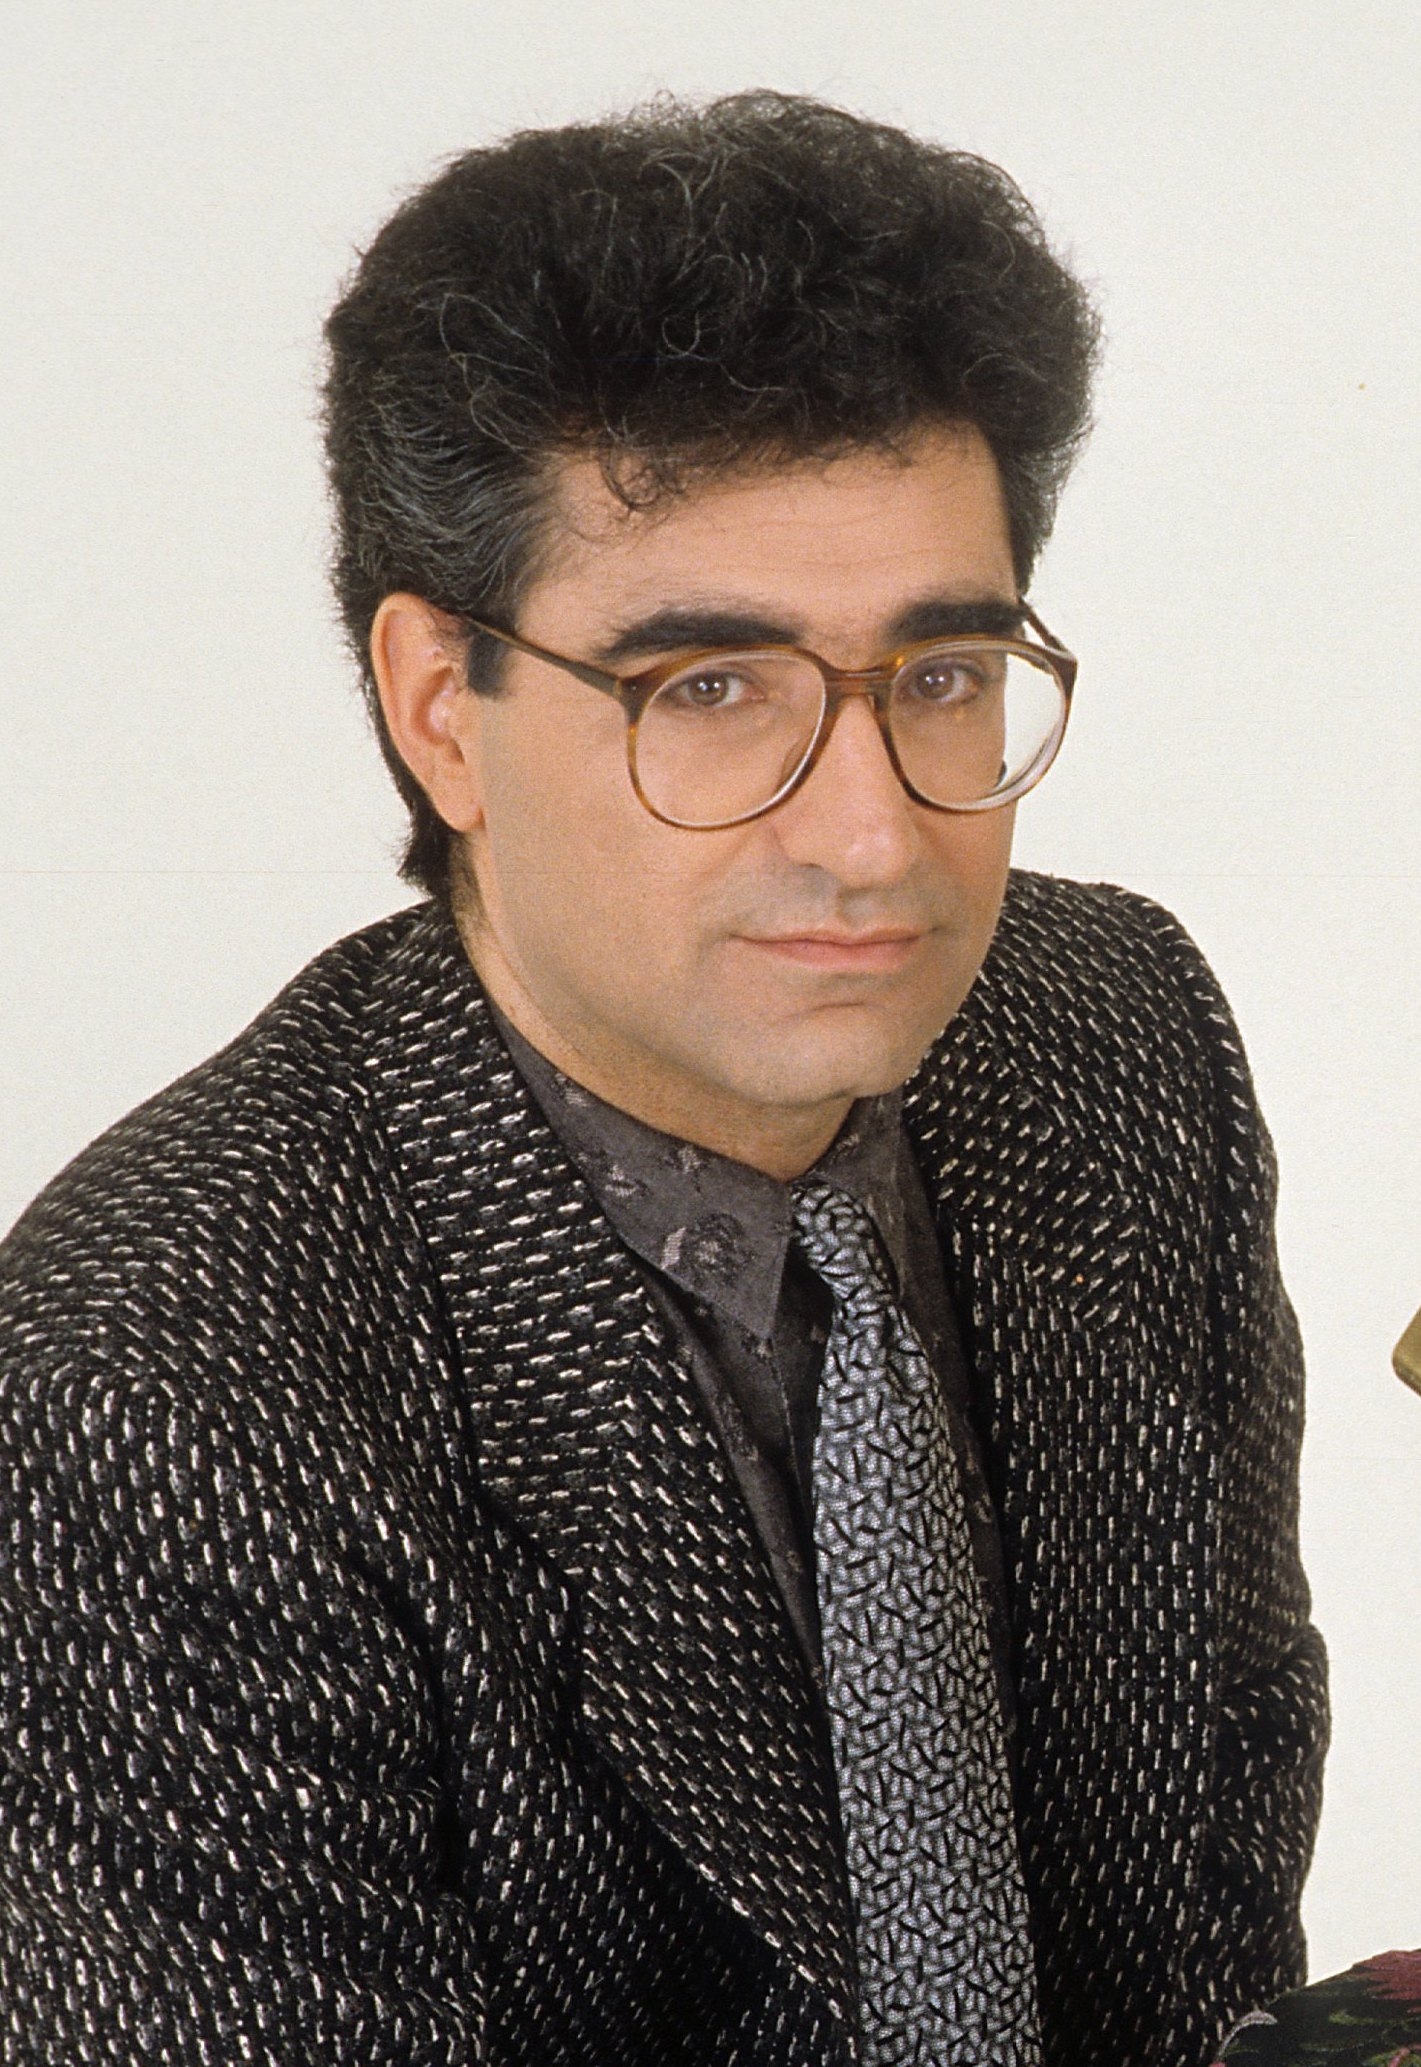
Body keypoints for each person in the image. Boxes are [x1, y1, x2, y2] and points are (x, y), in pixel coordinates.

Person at [0, 92, 1327, 2067]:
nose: (876, 835)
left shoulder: (1112, 1031)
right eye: (713, 690)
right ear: (442, 707)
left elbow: (1209, 1890)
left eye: (943, 672)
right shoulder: (160, 1401)